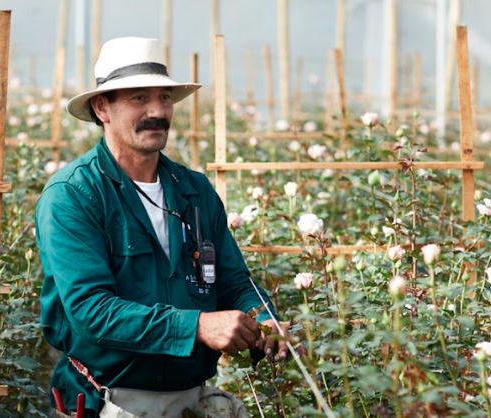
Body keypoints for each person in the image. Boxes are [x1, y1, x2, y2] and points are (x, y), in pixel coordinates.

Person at [36, 37, 304, 418]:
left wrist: (262, 318)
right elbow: (91, 310)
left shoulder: (194, 191)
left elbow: (231, 282)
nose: (158, 111)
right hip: (105, 400)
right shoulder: (74, 196)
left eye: (164, 97)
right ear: (102, 108)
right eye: (139, 98)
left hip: (188, 400)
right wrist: (196, 326)